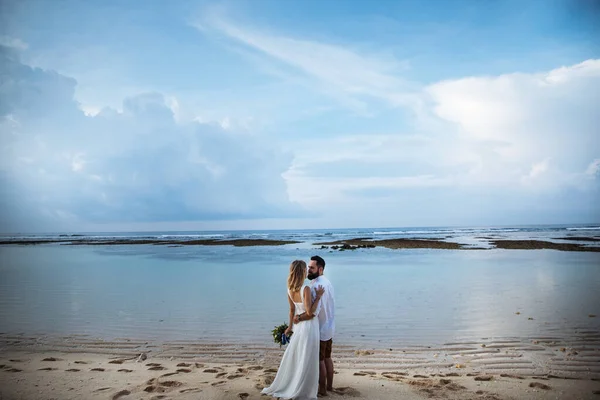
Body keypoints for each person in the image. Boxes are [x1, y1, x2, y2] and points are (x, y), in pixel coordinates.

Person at [262, 260, 325, 400]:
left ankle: (294, 383)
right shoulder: (306, 289)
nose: (307, 271)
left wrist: (290, 327)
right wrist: (319, 296)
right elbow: (309, 313)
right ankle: (303, 388)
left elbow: (291, 310)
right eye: (305, 269)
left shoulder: (289, 289)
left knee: (299, 356)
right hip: (309, 327)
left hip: (298, 327)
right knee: (308, 357)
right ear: (302, 272)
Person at [295, 255, 335, 396]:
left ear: (320, 269)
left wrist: (298, 317)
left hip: (319, 329)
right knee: (328, 358)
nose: (308, 270)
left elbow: (313, 312)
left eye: (312, 268)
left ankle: (322, 390)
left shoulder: (316, 286)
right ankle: (330, 386)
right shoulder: (327, 282)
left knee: (320, 361)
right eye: (308, 267)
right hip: (329, 328)